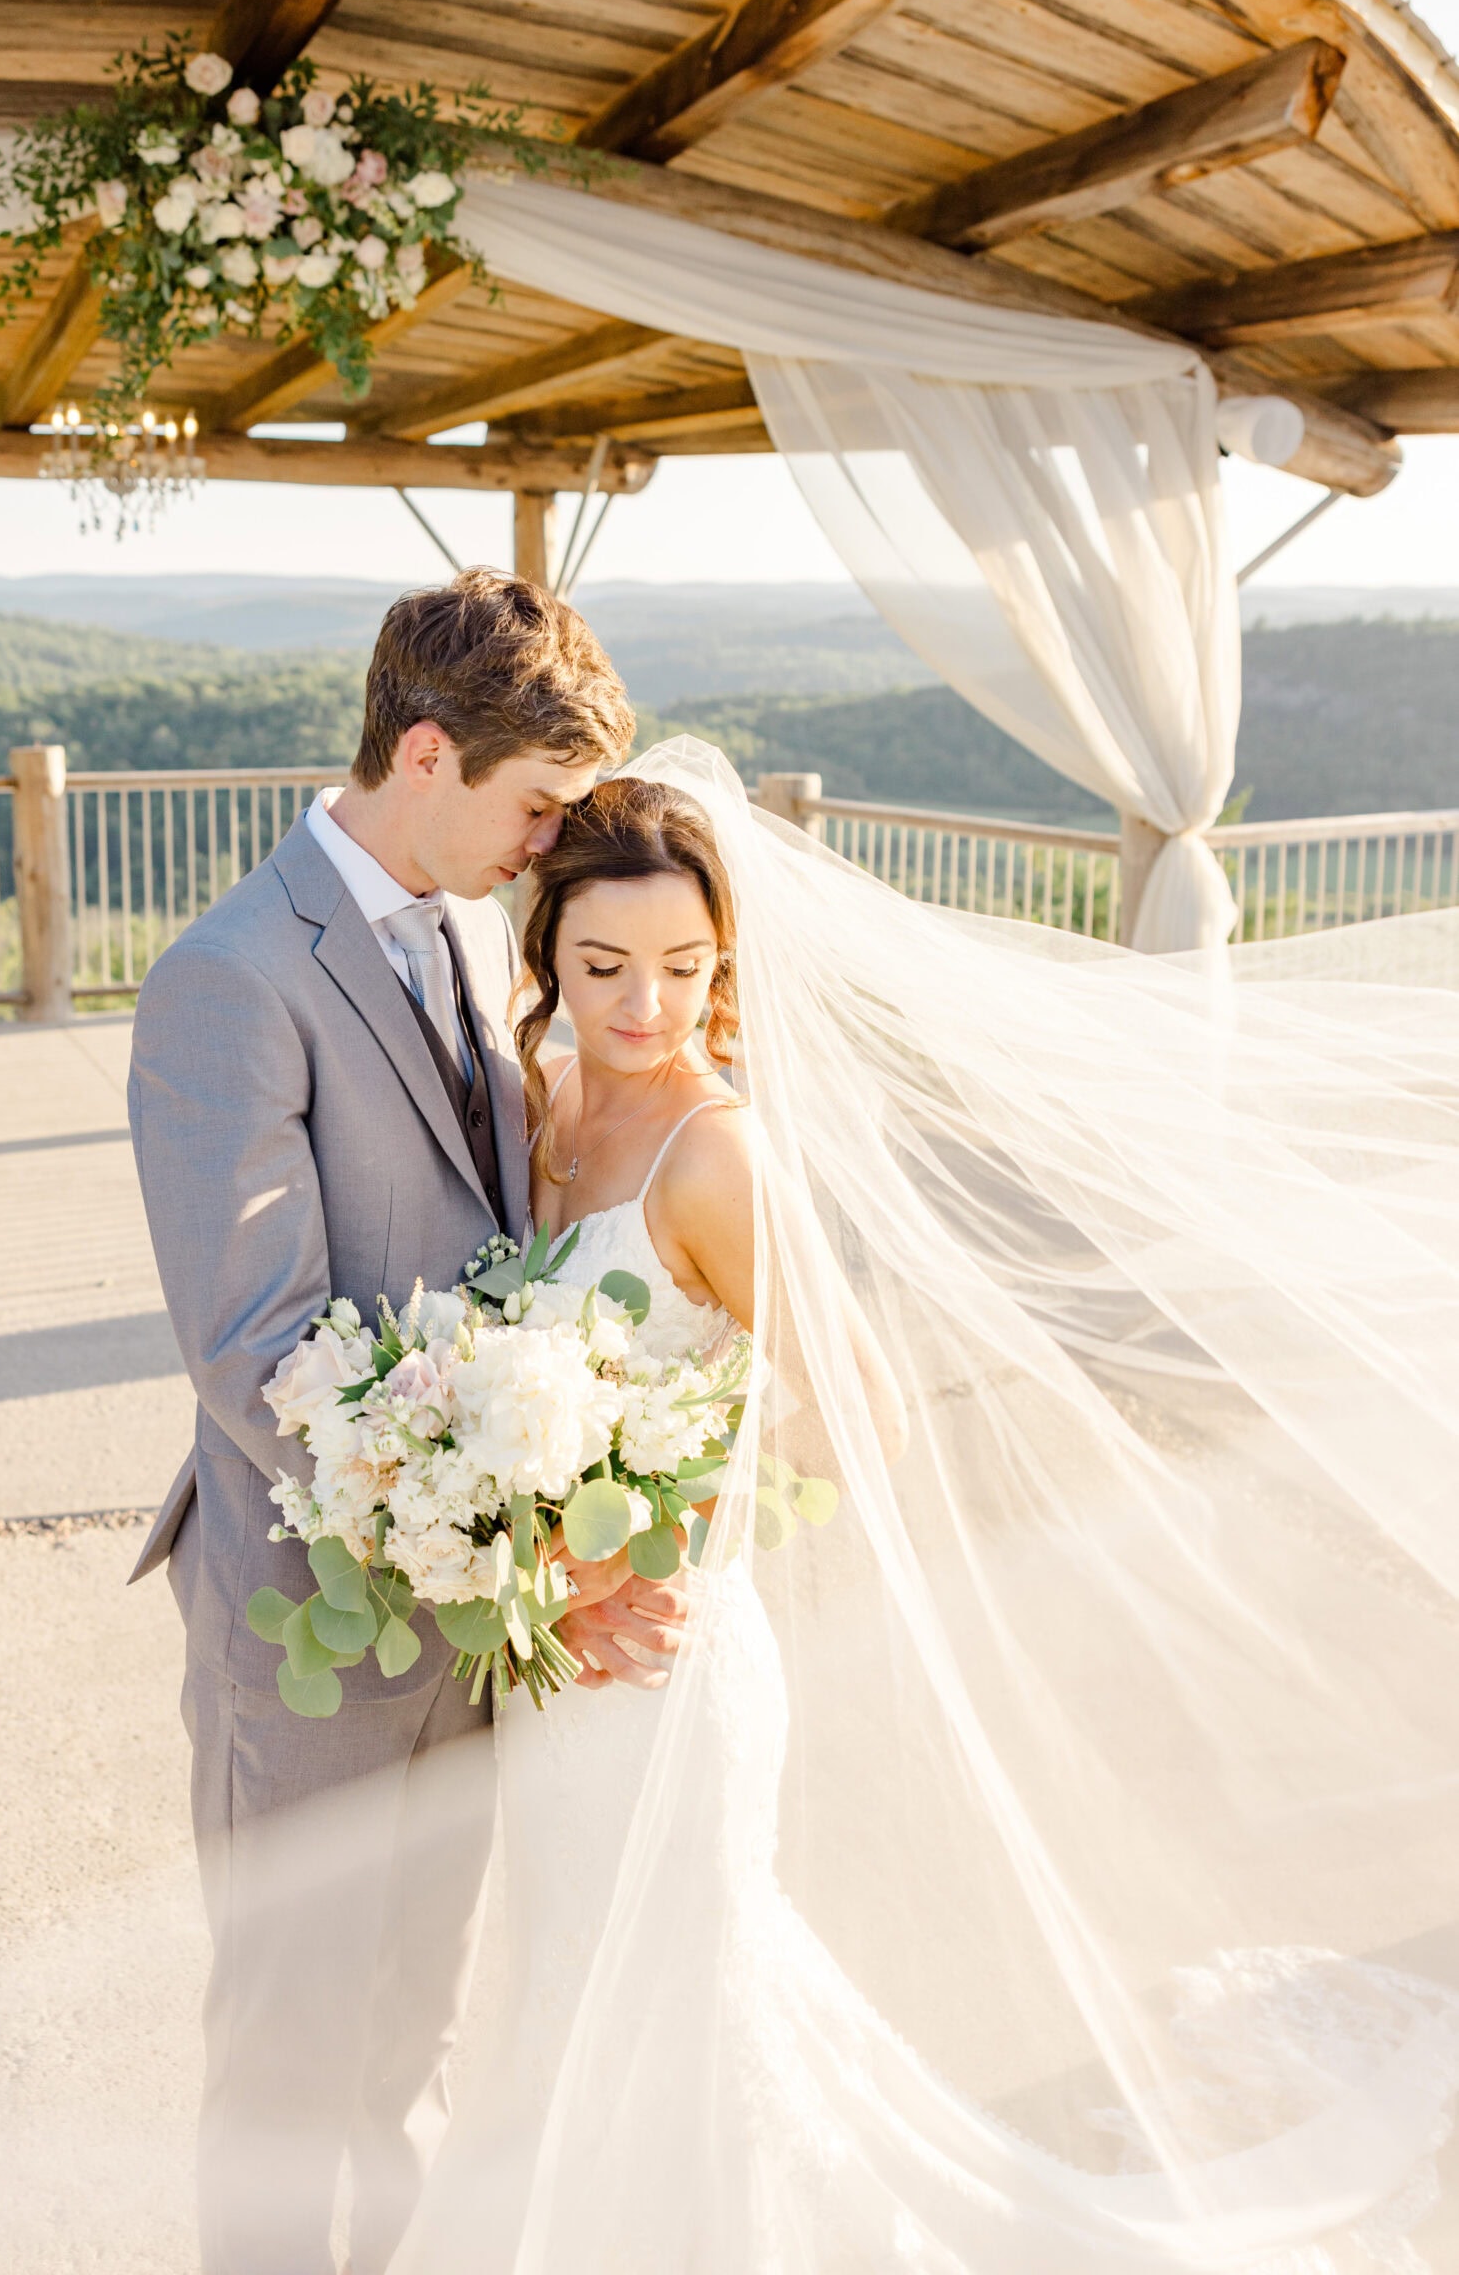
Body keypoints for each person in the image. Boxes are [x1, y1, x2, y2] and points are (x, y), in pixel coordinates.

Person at [390, 747, 1459, 2275]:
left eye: (685, 969)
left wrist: (654, 1546)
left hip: (668, 1676)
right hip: (556, 1682)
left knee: (683, 2017)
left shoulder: (716, 1152)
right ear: (548, 950)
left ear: (723, 964)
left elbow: (862, 1414)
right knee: (565, 1996)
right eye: (607, 964)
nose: (645, 1006)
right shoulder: (550, 1106)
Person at [126, 569, 661, 2275]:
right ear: (424, 753)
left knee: (408, 2052)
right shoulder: (226, 978)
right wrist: (511, 1546)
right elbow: (258, 1342)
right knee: (288, 2074)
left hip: (469, 1636)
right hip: (310, 1618)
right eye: (533, 806)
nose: (546, 845)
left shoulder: (468, 927)